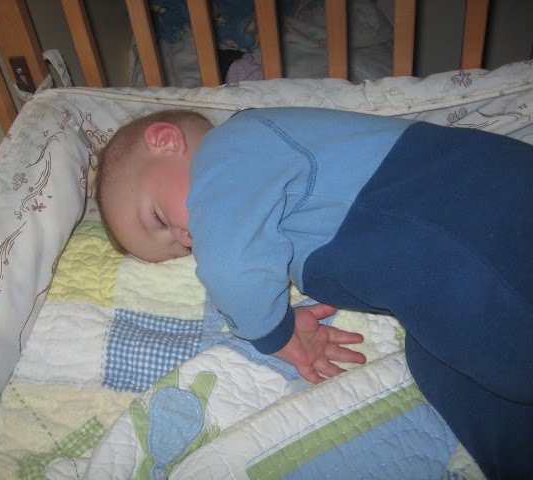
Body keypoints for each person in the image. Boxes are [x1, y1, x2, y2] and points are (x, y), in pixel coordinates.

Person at [97, 107, 533, 479]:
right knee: (446, 371)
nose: (188, 238)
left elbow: (230, 264)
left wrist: (276, 332)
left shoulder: (229, 149)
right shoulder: (265, 200)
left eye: (159, 219)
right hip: (433, 262)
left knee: (507, 347)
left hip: (470, 207)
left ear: (165, 141)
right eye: (178, 249)